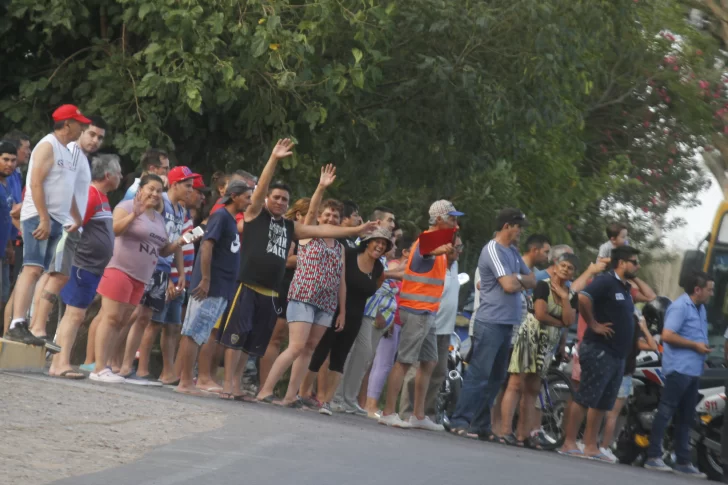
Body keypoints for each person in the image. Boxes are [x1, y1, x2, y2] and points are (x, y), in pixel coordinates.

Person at [216, 139, 377, 399]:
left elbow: (325, 230)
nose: (280, 202)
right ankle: (227, 386)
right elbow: (264, 191)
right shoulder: (256, 214)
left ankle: (237, 386)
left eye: (284, 199)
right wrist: (274, 158)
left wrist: (357, 230)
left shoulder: (292, 228)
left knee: (251, 343)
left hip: (270, 292)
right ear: (267, 198)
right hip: (247, 285)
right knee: (235, 337)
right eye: (276, 197)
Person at [256, 173, 346, 407]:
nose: (331, 218)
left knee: (310, 348)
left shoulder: (339, 246)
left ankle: (290, 395)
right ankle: (265, 389)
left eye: (336, 216)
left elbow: (341, 280)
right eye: (327, 214)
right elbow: (313, 210)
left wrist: (342, 310)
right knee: (295, 346)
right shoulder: (308, 234)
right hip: (304, 296)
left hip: (326, 303)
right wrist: (321, 187)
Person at [6, 105, 90, 349]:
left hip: (57, 218)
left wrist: (76, 216)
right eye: (79, 123)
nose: (82, 128)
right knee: (31, 268)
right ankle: (16, 323)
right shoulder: (48, 145)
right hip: (39, 216)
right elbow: (35, 183)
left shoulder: (66, 151)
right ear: (67, 124)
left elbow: (68, 188)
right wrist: (43, 217)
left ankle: (22, 323)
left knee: (39, 270)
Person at [448, 208, 535, 439]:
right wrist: (518, 280)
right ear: (507, 226)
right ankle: (460, 420)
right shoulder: (493, 250)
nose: (520, 232)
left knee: (496, 379)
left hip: (508, 324)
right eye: (518, 227)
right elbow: (507, 286)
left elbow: (532, 280)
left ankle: (480, 425)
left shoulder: (514, 253)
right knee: (479, 374)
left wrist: (517, 279)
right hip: (490, 322)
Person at [89, 174, 185, 382]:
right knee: (111, 317)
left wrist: (181, 241)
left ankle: (105, 366)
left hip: (142, 277)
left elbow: (163, 250)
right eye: (151, 189)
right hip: (120, 269)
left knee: (123, 320)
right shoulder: (126, 206)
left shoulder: (158, 218)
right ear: (140, 189)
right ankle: (98, 368)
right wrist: (134, 214)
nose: (155, 194)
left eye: (159, 191)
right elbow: (113, 230)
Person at [377, 200, 462, 430]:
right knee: (404, 361)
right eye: (452, 219)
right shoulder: (429, 239)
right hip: (416, 310)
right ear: (439, 220)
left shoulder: (439, 243)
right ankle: (388, 412)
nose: (457, 224)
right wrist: (437, 250)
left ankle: (418, 415)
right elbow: (424, 251)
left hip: (427, 311)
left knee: (429, 362)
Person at [29, 117, 107, 350]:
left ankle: (37, 325)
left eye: (100, 137)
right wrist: (70, 218)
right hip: (65, 223)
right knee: (57, 274)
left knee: (55, 274)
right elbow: (62, 185)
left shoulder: (81, 156)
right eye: (91, 134)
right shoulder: (72, 151)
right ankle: (38, 326)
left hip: (71, 223)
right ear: (81, 131)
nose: (95, 140)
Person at [559, 245, 643, 460]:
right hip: (599, 349)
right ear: (622, 263)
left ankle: (591, 446)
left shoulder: (625, 287)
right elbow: (583, 297)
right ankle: (569, 442)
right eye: (634, 261)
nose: (638, 265)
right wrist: (593, 324)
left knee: (603, 402)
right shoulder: (606, 281)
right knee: (586, 396)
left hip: (617, 355)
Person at [175, 181, 252, 395]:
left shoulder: (229, 219)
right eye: (247, 196)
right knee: (192, 331)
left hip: (222, 286)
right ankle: (185, 381)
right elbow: (207, 245)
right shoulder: (221, 216)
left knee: (201, 332)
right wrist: (206, 279)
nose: (250, 201)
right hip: (210, 285)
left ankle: (191, 380)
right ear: (234, 196)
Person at [48, 154, 121, 378]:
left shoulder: (101, 196)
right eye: (118, 173)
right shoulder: (90, 195)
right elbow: (72, 228)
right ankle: (60, 363)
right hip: (82, 265)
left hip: (90, 267)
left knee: (75, 315)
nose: (121, 177)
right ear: (108, 175)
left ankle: (58, 362)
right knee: (74, 315)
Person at [302, 228, 390, 415]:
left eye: (384, 244)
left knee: (340, 358)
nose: (380, 246)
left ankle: (326, 401)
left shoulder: (378, 268)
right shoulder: (350, 255)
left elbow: (377, 284)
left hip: (356, 316)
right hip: (333, 309)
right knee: (320, 352)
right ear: (368, 241)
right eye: (377, 241)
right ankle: (303, 394)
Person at [121, 166, 195, 385]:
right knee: (131, 314)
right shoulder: (161, 200)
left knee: (144, 317)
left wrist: (179, 272)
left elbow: (177, 242)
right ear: (174, 184)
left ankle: (126, 365)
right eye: (187, 186)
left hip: (164, 266)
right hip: (147, 262)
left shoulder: (181, 211)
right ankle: (118, 362)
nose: (190, 191)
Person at [500, 253, 579, 447]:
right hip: (531, 337)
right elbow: (540, 314)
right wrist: (559, 322)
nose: (565, 270)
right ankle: (504, 431)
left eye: (570, 268)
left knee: (533, 388)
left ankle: (522, 434)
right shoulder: (543, 285)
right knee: (516, 383)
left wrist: (563, 298)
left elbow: (570, 321)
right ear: (556, 265)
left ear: (573, 274)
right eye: (563, 265)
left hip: (548, 344)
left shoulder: (572, 296)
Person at [644, 271, 713, 477]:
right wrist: (695, 346)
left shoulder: (700, 308)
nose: (712, 293)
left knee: (686, 417)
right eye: (709, 289)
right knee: (666, 412)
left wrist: (703, 358)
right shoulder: (681, 306)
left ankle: (683, 461)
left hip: (693, 370)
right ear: (697, 289)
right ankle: (653, 456)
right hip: (679, 369)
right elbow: (667, 335)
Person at [400, 235, 463, 420]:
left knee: (438, 373)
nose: (459, 251)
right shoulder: (436, 262)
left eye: (460, 247)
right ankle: (406, 412)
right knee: (415, 371)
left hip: (446, 328)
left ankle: (427, 413)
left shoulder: (455, 265)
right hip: (429, 323)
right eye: (456, 247)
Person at [258, 197, 310, 390]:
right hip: (284, 285)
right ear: (299, 215)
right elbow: (286, 260)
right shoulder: (289, 231)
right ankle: (264, 385)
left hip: (302, 290)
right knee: (276, 337)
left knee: (293, 343)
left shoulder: (315, 236)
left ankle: (276, 387)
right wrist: (310, 256)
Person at [598, 314, 658, 462]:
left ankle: (595, 443)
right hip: (625, 375)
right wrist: (644, 328)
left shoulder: (616, 328)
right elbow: (653, 346)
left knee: (601, 410)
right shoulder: (635, 338)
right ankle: (604, 447)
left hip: (610, 371)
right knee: (613, 415)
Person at [363, 234, 411, 417]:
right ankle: (371, 405)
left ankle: (367, 403)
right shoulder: (393, 266)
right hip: (389, 319)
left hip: (396, 320)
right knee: (381, 363)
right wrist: (386, 316)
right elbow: (383, 293)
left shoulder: (399, 266)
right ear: (405, 252)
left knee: (384, 363)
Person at [0, 141, 17, 321]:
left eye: (13, 160)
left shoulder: (7, 184)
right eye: (5, 159)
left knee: (3, 297)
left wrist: (10, 247)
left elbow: (7, 218)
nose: (9, 164)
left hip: (4, 250)